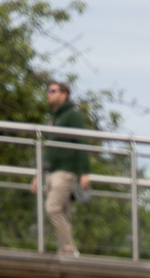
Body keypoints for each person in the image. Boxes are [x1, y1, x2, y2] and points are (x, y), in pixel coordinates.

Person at [36, 79, 91, 256]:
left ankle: (69, 249)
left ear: (64, 95)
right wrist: (39, 174)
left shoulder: (72, 116)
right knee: (63, 213)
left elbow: (82, 142)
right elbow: (48, 149)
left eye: (53, 91)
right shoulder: (54, 118)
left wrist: (84, 172)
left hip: (66, 172)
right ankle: (65, 251)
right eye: (48, 91)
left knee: (52, 208)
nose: (48, 94)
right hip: (52, 172)